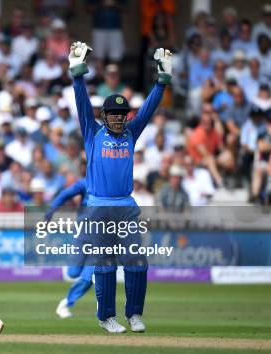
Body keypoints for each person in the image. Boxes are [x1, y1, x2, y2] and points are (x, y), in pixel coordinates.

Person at [67, 41, 171, 333]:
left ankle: (134, 314)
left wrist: (162, 83)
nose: (117, 117)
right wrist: (77, 75)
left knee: (137, 262)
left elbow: (148, 110)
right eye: (112, 113)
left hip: (125, 206)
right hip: (99, 208)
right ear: (105, 116)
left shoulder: (130, 134)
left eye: (121, 114)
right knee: (105, 266)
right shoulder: (93, 133)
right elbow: (82, 104)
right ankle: (106, 317)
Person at [44, 161, 95, 319]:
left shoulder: (109, 186)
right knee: (73, 273)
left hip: (100, 238)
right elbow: (63, 195)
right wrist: (49, 213)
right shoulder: (84, 184)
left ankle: (66, 303)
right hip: (82, 234)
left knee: (89, 277)